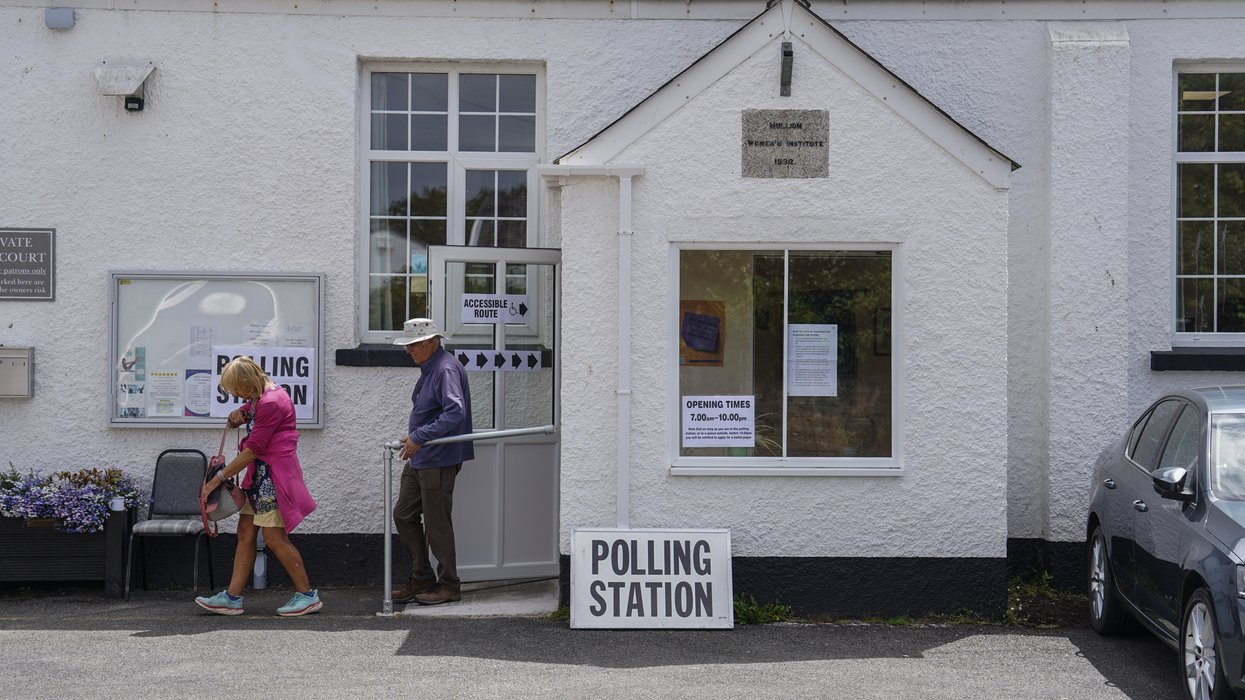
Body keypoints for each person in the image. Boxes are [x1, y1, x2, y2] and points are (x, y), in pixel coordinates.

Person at [195, 356, 320, 617]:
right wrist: (241, 413)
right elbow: (255, 416)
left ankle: (307, 596)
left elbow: (253, 450)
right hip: (260, 477)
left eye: (237, 389)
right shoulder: (262, 396)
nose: (236, 394)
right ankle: (232, 597)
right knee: (245, 533)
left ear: (246, 381)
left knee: (275, 539)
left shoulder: (271, 402)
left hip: (272, 478)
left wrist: (218, 479)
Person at [392, 318, 474, 605]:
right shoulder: (433, 367)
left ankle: (449, 584)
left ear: (431, 342)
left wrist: (419, 436)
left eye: (413, 345)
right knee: (403, 514)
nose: (409, 350)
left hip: (437, 458)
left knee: (437, 523)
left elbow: (455, 412)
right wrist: (416, 438)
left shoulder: (445, 368)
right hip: (423, 456)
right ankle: (423, 577)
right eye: (408, 345)